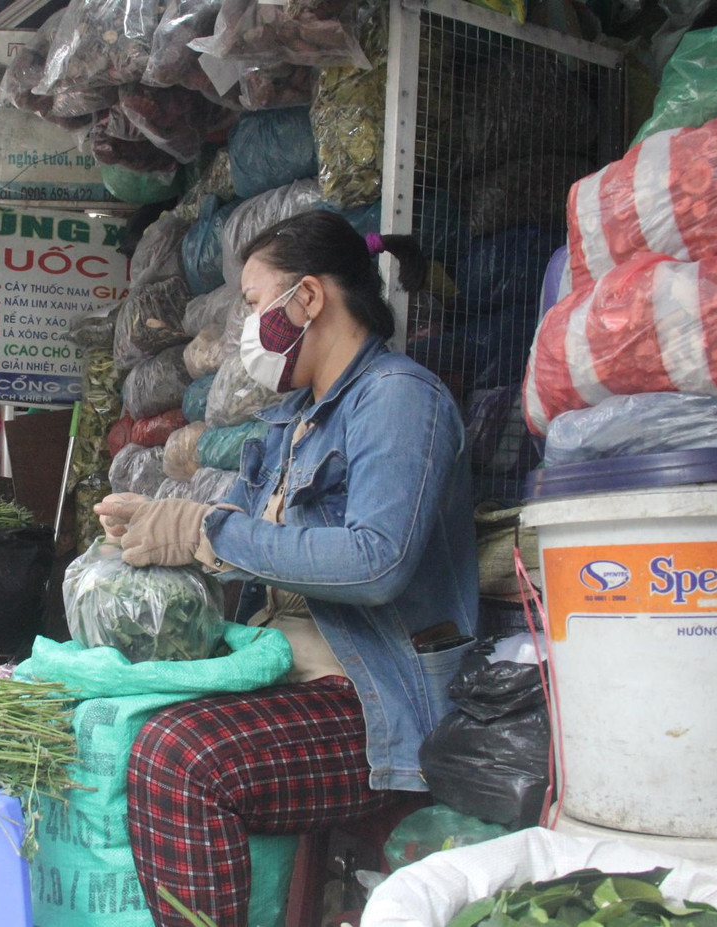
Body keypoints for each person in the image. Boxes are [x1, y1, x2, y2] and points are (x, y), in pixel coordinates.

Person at [94, 211, 479, 927]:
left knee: (181, 755)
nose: (248, 324)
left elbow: (378, 562)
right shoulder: (287, 423)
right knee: (120, 714)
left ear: (307, 298)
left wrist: (208, 531)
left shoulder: (398, 400)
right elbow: (225, 538)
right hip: (292, 675)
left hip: (373, 700)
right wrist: (149, 530)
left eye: (252, 301)